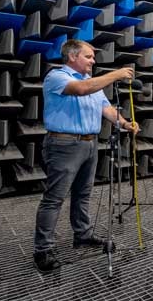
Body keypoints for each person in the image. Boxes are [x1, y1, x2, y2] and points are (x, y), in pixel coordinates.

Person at [33, 39, 140, 273]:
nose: (93, 60)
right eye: (89, 56)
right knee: (54, 198)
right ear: (72, 56)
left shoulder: (92, 84)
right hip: (64, 144)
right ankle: (43, 249)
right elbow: (82, 90)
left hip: (90, 145)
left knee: (83, 194)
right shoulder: (57, 77)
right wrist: (117, 74)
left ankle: (82, 235)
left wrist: (125, 124)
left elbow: (107, 109)